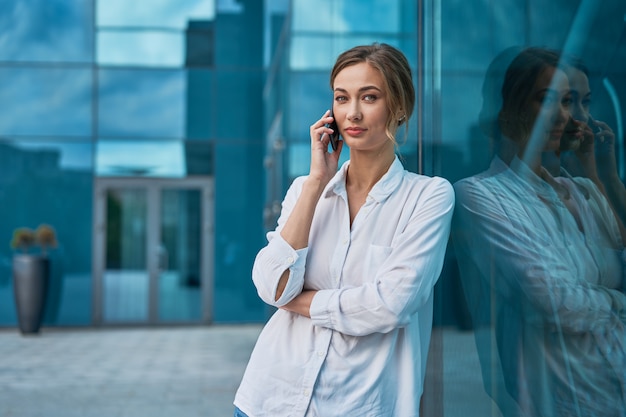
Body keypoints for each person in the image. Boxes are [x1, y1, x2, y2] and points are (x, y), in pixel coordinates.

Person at [233, 43, 455, 417]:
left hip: (358, 404)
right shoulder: (306, 189)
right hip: (269, 398)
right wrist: (318, 179)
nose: (352, 112)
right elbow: (270, 284)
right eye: (342, 98)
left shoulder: (428, 196)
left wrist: (298, 301)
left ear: (399, 107)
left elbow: (389, 306)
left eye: (369, 97)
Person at [452, 46, 626, 416]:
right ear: (510, 108)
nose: (564, 116)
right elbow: (557, 301)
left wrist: (600, 173)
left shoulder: (583, 190)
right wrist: (617, 302)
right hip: (564, 400)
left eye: (568, 103)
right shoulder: (480, 195)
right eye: (548, 100)